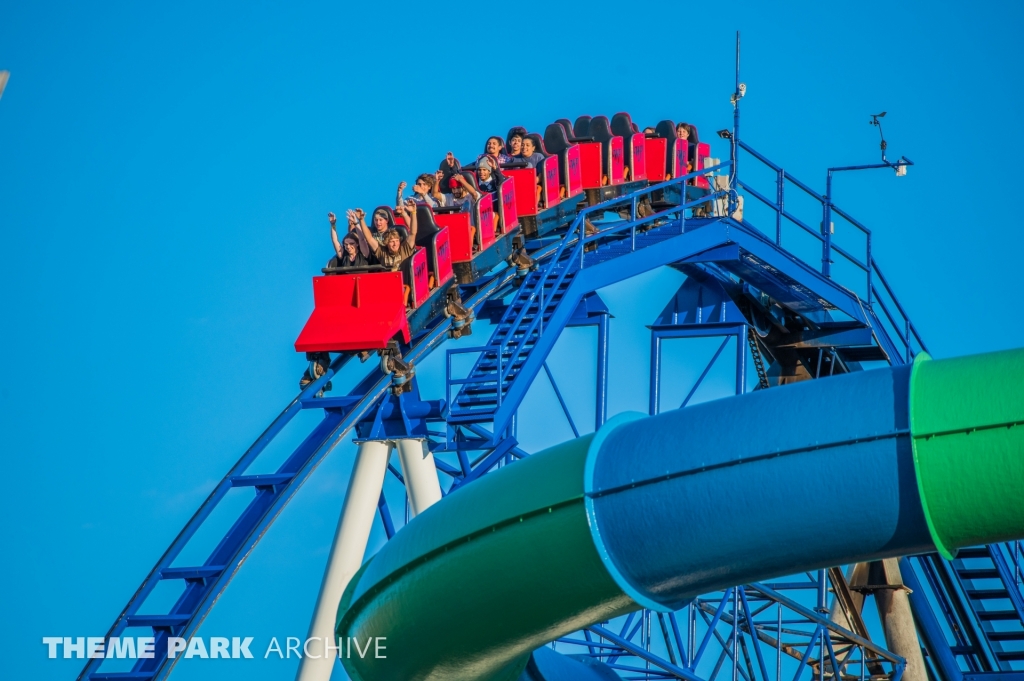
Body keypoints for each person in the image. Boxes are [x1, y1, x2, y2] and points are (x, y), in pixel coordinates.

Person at [360, 199, 419, 307]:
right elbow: (369, 238)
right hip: (387, 289)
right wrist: (361, 220)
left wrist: (413, 213)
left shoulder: (404, 249)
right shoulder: (382, 252)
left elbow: (413, 232)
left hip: (404, 286)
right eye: (392, 242)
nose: (395, 244)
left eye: (396, 241)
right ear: (387, 243)